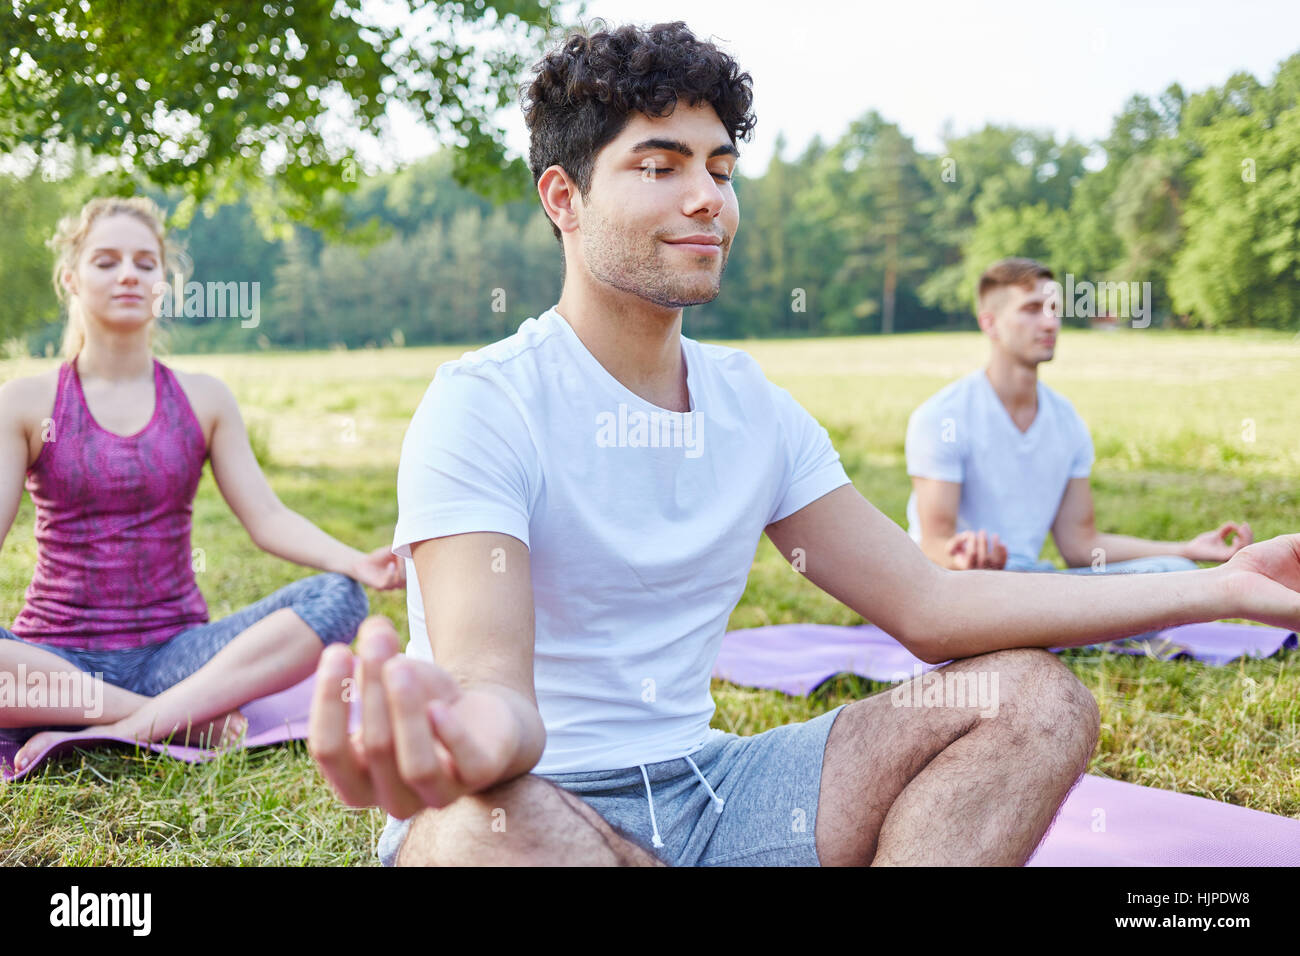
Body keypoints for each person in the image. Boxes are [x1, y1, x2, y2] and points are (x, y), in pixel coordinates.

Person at [307, 21, 1300, 867]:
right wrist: (465, 742)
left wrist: (1212, 584)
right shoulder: (484, 402)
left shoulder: (752, 405)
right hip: (531, 798)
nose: (708, 198)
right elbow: (490, 686)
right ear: (563, 198)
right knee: (474, 831)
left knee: (1032, 698)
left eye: (720, 168)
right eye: (660, 166)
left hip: (711, 795)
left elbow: (929, 603)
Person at [0, 196, 404, 774]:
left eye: (145, 263)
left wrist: (357, 563)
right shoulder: (25, 402)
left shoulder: (203, 398)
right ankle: (169, 718)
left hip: (177, 657)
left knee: (338, 597)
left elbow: (266, 518)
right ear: (71, 278)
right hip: (52, 663)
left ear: (164, 282)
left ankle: (131, 726)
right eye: (106, 261)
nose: (128, 275)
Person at [905, 257, 1252, 574]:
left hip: (1031, 584)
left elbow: (1081, 545)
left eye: (1054, 308)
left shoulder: (1065, 420)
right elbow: (934, 545)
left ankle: (1056, 621)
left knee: (1174, 572)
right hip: (959, 589)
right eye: (1032, 309)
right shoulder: (943, 417)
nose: (1050, 322)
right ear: (990, 323)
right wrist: (965, 560)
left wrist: (1185, 548)